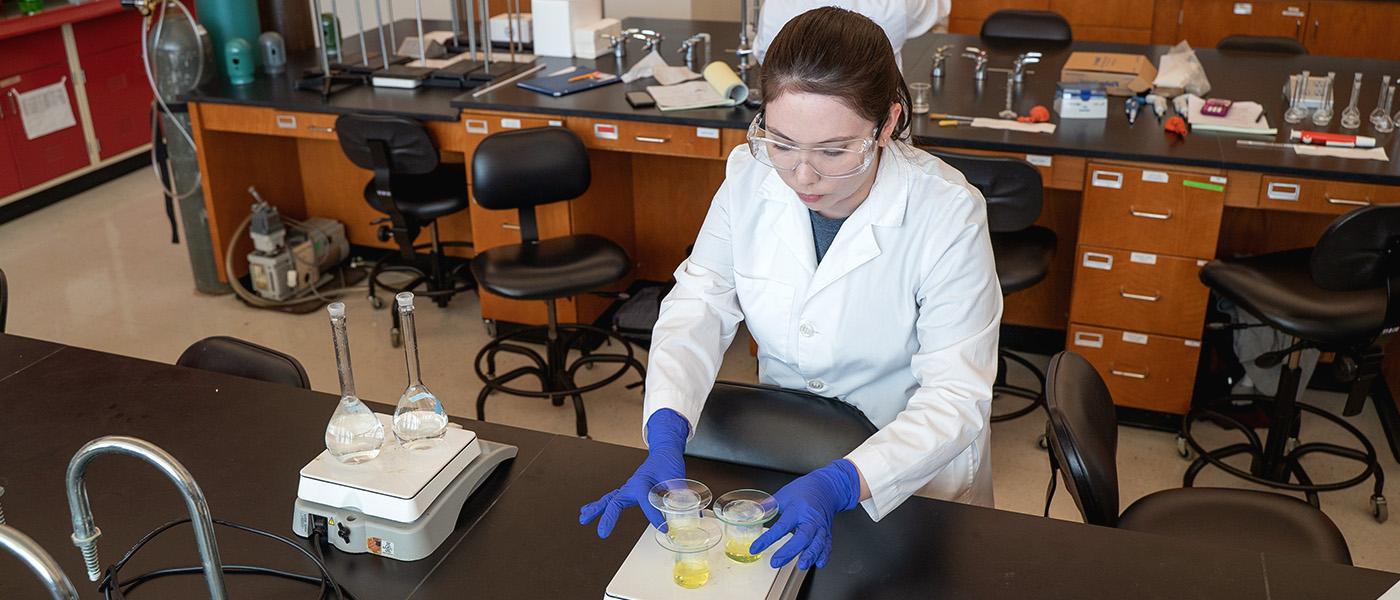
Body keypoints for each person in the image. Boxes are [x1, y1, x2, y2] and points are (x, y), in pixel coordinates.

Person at [579, 7, 999, 571]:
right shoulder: (749, 176)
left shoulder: (947, 212)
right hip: (786, 452)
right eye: (780, 142)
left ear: (889, 122)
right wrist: (665, 429)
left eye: (832, 151)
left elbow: (956, 395)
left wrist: (842, 483)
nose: (802, 175)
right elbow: (699, 302)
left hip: (906, 474)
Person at [754, 0, 950, 72]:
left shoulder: (776, 4)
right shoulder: (896, 5)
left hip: (792, 131)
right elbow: (939, 8)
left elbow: (766, 58)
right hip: (876, 130)